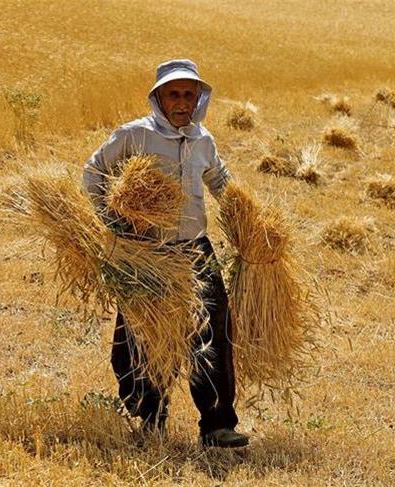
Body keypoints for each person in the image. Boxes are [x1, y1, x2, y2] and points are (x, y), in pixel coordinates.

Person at [82, 59, 248, 448]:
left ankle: (217, 424)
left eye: (189, 95)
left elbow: (221, 182)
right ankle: (148, 416)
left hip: (195, 251)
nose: (182, 102)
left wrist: (247, 222)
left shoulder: (203, 140)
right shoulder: (135, 136)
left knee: (212, 331)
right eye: (173, 94)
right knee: (142, 335)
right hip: (147, 251)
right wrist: (113, 221)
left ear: (198, 99)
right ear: (158, 97)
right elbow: (94, 172)